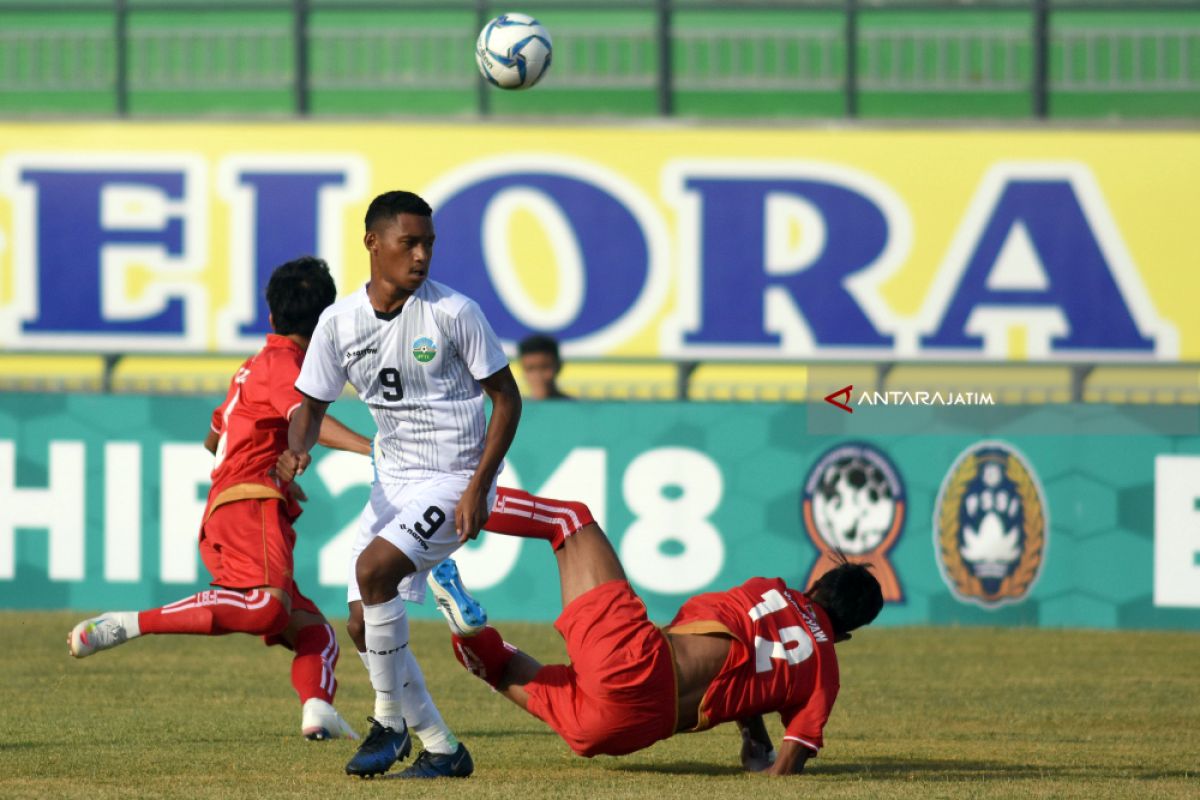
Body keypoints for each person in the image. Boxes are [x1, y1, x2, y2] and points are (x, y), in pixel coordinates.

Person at [275, 189, 526, 779]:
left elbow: (507, 399)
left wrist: (477, 487)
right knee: (363, 622)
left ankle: (388, 723)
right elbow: (308, 408)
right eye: (408, 243)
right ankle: (441, 748)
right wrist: (296, 450)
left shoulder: (453, 313)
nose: (421, 257)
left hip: (455, 478)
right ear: (373, 244)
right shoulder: (338, 323)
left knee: (374, 573)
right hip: (393, 481)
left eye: (428, 244)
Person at [67, 256, 371, 742]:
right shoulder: (285, 365)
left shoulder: (251, 367)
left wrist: (274, 459)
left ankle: (318, 710)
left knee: (314, 631)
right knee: (266, 608)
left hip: (230, 506)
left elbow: (215, 438)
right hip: (251, 506)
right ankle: (130, 623)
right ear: (324, 322)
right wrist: (372, 447)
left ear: (271, 317)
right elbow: (304, 419)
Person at [435, 505, 884, 776]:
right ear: (845, 634)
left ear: (817, 588)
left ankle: (442, 506)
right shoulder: (825, 670)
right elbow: (789, 761)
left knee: (567, 519)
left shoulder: (772, 589)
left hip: (634, 663)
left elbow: (740, 639)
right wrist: (757, 743)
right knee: (506, 673)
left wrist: (751, 726)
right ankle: (466, 631)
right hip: (623, 729)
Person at [517, 334, 572, 400]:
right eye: (530, 368)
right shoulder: (517, 408)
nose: (538, 375)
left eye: (544, 367)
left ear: (559, 366)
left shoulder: (575, 407)